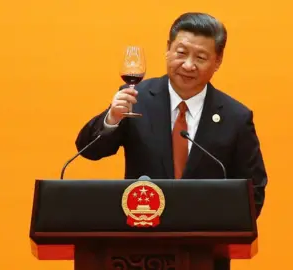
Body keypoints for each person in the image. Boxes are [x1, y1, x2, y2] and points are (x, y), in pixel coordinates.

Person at [75, 12, 268, 270]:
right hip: (137, 251)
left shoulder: (235, 117)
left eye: (200, 57)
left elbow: (253, 191)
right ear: (167, 50)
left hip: (205, 254)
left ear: (218, 61)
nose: (188, 65)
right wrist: (112, 117)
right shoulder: (136, 98)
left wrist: (221, 232)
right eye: (181, 53)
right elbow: (89, 150)